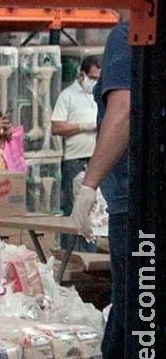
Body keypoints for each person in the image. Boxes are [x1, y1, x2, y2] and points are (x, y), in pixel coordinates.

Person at [72, 21, 130, 359]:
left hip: (137, 200)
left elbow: (123, 110)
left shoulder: (129, 33)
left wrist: (90, 185)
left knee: (138, 304)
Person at [52, 56, 102, 252]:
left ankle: (90, 254)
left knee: (95, 212)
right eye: (92, 77)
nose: (95, 82)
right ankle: (71, 255)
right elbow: (56, 126)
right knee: (75, 208)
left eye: (99, 78)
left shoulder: (99, 95)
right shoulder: (68, 96)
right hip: (75, 161)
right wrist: (82, 126)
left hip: (95, 160)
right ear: (82, 75)